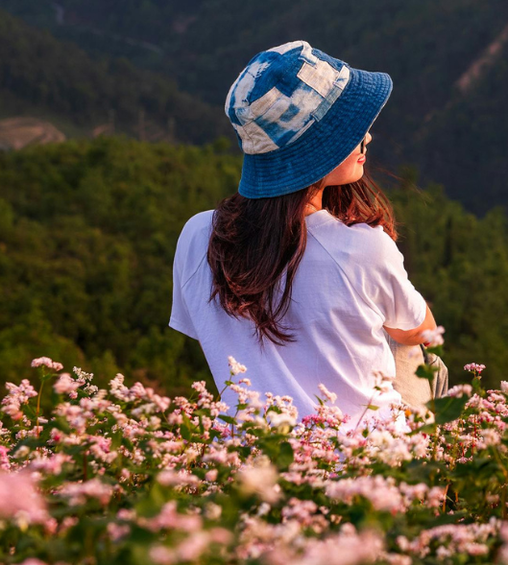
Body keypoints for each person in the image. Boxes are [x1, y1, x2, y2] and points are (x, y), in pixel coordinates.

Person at [169, 41, 437, 422]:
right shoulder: (362, 248)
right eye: (350, 129)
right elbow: (421, 332)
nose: (368, 137)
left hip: (249, 459)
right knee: (421, 358)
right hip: (362, 465)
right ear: (317, 149)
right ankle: (437, 468)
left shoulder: (198, 236)